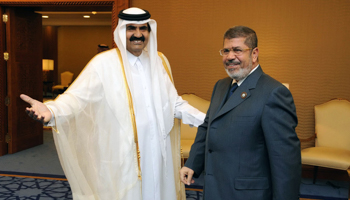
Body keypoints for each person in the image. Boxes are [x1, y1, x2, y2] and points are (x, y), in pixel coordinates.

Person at [20, 7, 205, 200]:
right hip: (124, 152)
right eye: (131, 28)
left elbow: (173, 103)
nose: (138, 35)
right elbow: (76, 98)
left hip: (158, 150)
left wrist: (207, 120)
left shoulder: (159, 61)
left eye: (143, 29)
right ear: (121, 31)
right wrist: (52, 110)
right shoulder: (103, 63)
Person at [180, 26, 301, 200]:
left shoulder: (274, 92)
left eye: (237, 50)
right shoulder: (220, 86)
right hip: (215, 188)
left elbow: (285, 160)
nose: (230, 56)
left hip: (246, 193)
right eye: (226, 50)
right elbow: (208, 127)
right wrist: (193, 163)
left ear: (254, 53)